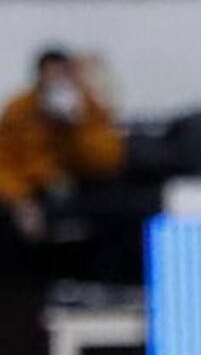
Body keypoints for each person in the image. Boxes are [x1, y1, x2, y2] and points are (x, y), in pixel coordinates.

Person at [0, 49, 127, 249]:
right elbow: (5, 162)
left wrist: (77, 124)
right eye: (50, 77)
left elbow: (106, 161)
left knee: (116, 207)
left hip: (83, 186)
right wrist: (20, 201)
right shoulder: (19, 110)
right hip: (34, 190)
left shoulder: (89, 107)